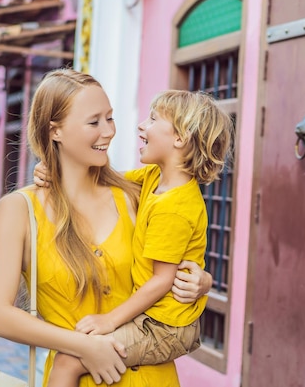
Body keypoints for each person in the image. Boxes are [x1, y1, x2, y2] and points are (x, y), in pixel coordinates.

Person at [0, 68, 211, 387]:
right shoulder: (20, 210)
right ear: (55, 131)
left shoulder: (136, 196)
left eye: (110, 118)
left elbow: (174, 251)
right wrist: (84, 346)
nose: (109, 131)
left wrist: (200, 279)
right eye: (94, 122)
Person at [36, 89, 233, 387]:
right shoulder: (154, 178)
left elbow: (161, 280)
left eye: (153, 119)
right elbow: (105, 180)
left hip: (164, 326)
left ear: (179, 138)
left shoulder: (174, 208)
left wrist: (109, 320)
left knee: (69, 360)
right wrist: (56, 171)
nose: (141, 125)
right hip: (154, 316)